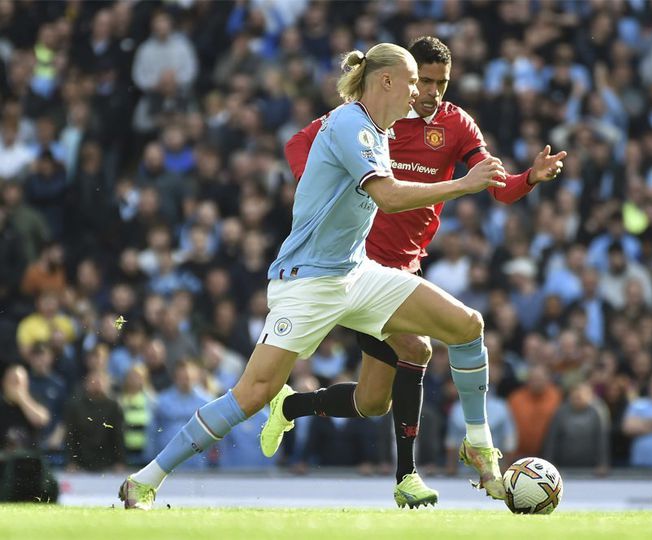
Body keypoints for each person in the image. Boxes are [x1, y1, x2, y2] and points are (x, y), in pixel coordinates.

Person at [119, 42, 509, 510]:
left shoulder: (380, 133)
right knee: (252, 393)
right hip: (307, 281)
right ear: (385, 81)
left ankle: (477, 443)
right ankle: (147, 477)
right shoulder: (351, 123)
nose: (418, 95)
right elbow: (386, 196)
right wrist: (464, 184)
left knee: (468, 326)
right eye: (412, 82)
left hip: (357, 273)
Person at [281, 36, 566, 507]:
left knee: (373, 402)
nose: (432, 91)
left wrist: (529, 179)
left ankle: (290, 406)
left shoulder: (457, 126)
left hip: (405, 268)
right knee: (420, 346)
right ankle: (409, 476)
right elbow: (299, 144)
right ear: (408, 78)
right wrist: (319, 187)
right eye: (425, 80)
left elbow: (496, 187)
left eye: (441, 82)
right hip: (360, 269)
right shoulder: (369, 117)